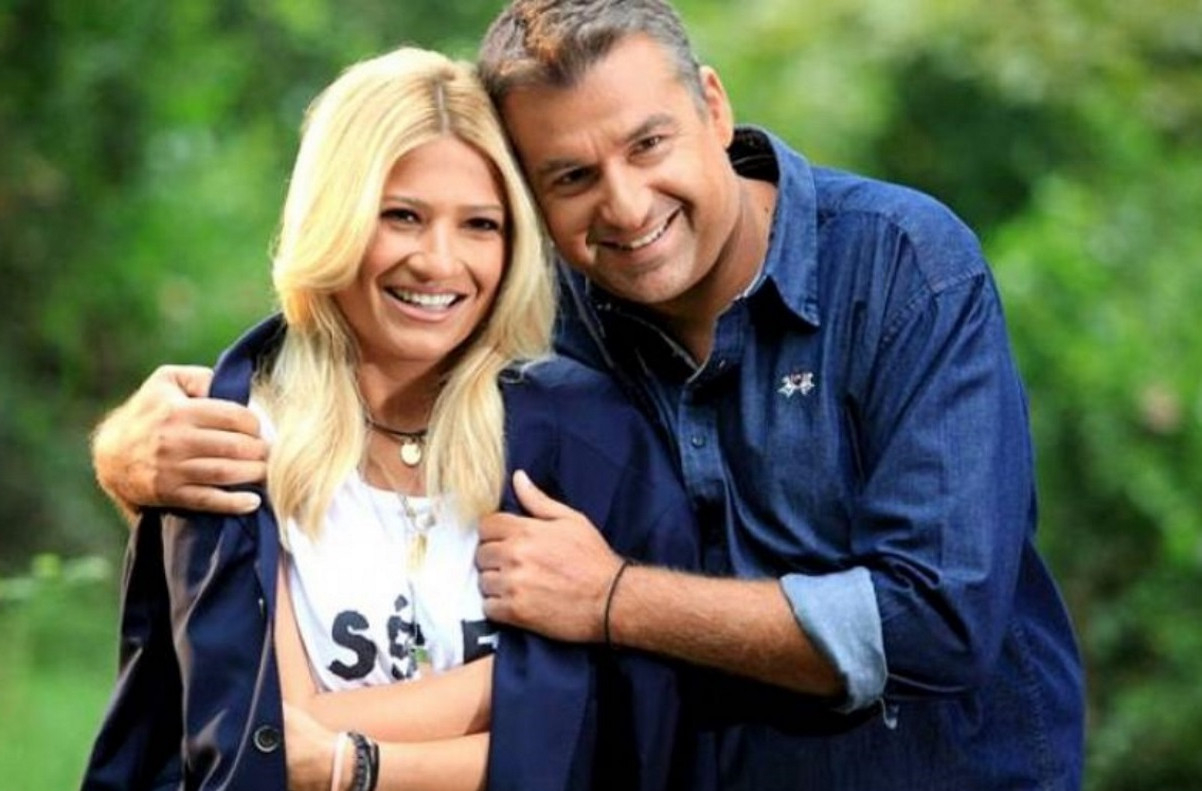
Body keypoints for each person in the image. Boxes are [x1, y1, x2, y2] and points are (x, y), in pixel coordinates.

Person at [90, 2, 1086, 789]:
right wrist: (132, 459)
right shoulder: (545, 315)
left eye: (648, 144)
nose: (624, 203)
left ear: (712, 106)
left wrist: (611, 598)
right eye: (569, 176)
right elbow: (373, 301)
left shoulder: (903, 267)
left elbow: (932, 621)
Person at [81, 45, 700, 791]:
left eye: (480, 225)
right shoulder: (233, 440)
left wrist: (352, 761)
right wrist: (547, 690)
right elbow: (261, 741)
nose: (440, 262)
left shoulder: (586, 442)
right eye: (402, 216)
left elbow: (636, 739)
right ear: (336, 217)